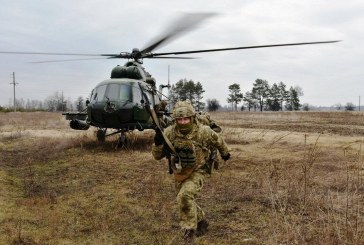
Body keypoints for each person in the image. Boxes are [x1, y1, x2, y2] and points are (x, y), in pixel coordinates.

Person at [152, 100, 230, 244]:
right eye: (179, 119)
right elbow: (157, 156)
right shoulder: (170, 132)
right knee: (184, 199)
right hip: (180, 172)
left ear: (192, 118)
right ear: (175, 120)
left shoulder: (203, 131)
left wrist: (225, 153)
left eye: (186, 118)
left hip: (199, 170)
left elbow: (218, 140)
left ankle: (188, 234)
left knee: (185, 196)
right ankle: (202, 221)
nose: (183, 122)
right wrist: (157, 143)